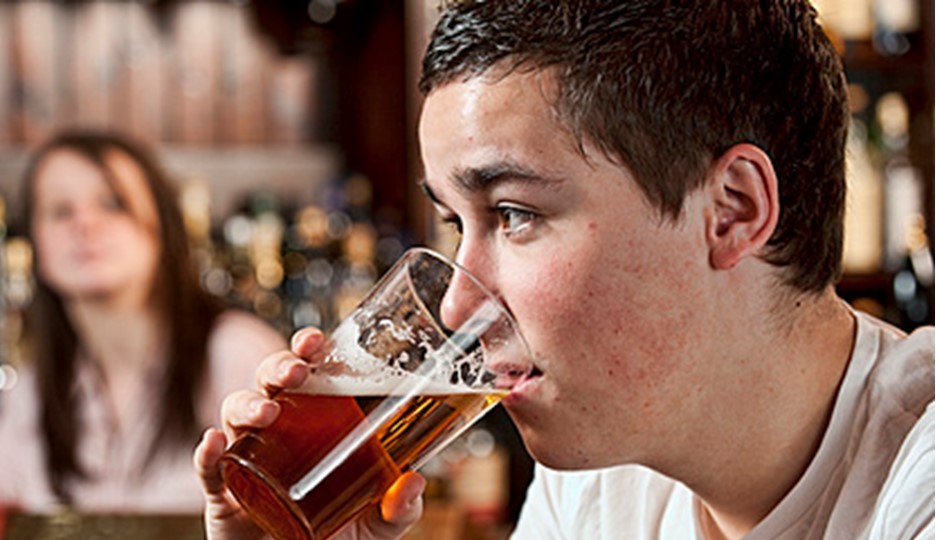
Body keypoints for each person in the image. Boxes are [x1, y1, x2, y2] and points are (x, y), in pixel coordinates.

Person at [195, 0, 935, 538]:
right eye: (457, 223)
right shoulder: (607, 474)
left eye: (514, 215)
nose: (456, 306)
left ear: (732, 210)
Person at [0, 131, 285, 536]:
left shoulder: (234, 351)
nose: (85, 224)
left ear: (162, 227)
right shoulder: (35, 388)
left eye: (112, 204)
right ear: (35, 248)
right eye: (60, 211)